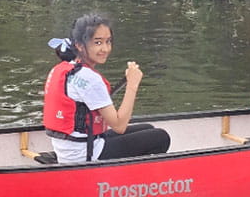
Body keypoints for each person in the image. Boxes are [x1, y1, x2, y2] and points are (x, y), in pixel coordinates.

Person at [42, 14, 170, 164]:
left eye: (108, 41)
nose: (105, 49)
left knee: (147, 127)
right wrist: (132, 85)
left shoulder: (66, 68)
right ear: (79, 45)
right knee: (160, 137)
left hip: (69, 148)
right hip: (84, 154)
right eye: (97, 43)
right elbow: (119, 126)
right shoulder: (90, 78)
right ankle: (122, 183)